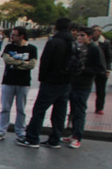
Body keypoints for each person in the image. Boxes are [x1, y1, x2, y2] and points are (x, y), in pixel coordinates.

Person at [19, 17, 75, 149]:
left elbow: (45, 62)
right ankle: (55, 139)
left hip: (51, 81)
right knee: (60, 112)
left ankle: (32, 138)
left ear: (56, 27)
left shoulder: (54, 42)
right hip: (66, 82)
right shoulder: (73, 42)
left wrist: (42, 78)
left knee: (39, 110)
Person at [64, 27, 106, 149]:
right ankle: (73, 133)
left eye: (82, 36)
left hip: (83, 84)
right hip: (74, 82)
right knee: (73, 109)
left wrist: (83, 71)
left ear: (89, 36)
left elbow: (100, 68)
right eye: (78, 36)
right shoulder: (78, 47)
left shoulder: (94, 49)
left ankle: (77, 136)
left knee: (79, 110)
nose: (80, 38)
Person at [0, 26, 37, 141]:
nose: (11, 37)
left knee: (21, 109)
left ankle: (20, 131)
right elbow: (7, 60)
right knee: (5, 108)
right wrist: (23, 63)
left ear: (22, 36)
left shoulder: (31, 48)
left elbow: (32, 64)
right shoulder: (9, 47)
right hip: (8, 81)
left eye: (14, 35)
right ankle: (1, 130)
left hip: (23, 83)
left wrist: (16, 64)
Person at [91, 25, 112, 115]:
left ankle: (99, 107)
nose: (94, 32)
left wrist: (108, 70)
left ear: (100, 32)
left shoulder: (106, 43)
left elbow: (109, 57)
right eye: (93, 30)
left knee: (100, 89)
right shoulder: (89, 42)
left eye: (96, 31)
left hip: (101, 70)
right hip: (90, 69)